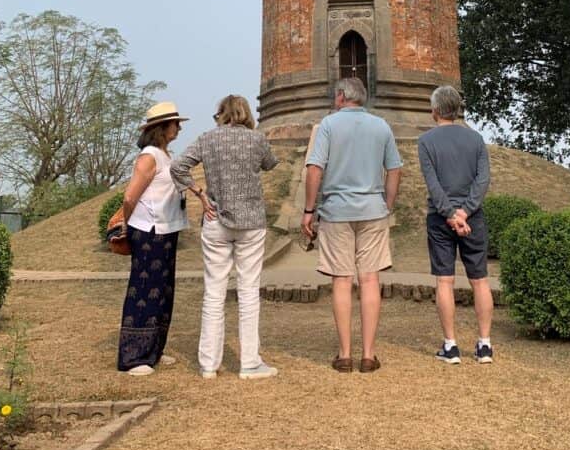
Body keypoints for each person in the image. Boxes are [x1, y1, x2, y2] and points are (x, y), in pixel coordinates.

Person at [170, 94, 279, 381]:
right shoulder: (256, 139)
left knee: (214, 293)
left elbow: (177, 166)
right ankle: (250, 363)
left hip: (215, 219)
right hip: (250, 222)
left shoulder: (208, 139)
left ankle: (208, 364)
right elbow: (271, 163)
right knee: (248, 291)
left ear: (221, 113)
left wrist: (199, 193)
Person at [301, 77, 402, 373]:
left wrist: (308, 210)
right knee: (370, 280)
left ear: (342, 96)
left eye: (336, 95)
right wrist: (387, 204)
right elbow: (395, 169)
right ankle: (368, 355)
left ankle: (344, 354)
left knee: (342, 281)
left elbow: (315, 168)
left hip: (336, 211)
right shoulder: (381, 125)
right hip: (373, 210)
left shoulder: (328, 125)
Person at [117, 101, 209, 376]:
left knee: (163, 291)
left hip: (166, 229)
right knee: (144, 291)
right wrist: (126, 223)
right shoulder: (149, 157)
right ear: (162, 127)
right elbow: (130, 196)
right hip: (149, 229)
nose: (178, 128)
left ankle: (153, 349)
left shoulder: (164, 156)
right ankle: (133, 356)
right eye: (175, 123)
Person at [418, 85, 494, 365]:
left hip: (441, 218)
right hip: (473, 218)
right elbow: (483, 180)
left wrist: (451, 214)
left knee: (444, 281)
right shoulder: (476, 139)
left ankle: (450, 346)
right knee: (480, 280)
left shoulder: (426, 141)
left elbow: (433, 184)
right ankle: (484, 345)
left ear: (434, 111)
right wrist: (466, 211)